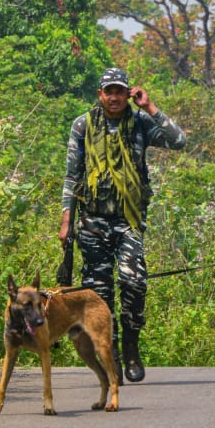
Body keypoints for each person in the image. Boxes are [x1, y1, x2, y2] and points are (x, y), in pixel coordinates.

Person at [59, 67, 186, 384]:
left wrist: (150, 107)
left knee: (134, 283)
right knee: (99, 295)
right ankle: (111, 353)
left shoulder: (140, 123)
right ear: (100, 94)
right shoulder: (83, 125)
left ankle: (131, 346)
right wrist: (67, 221)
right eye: (108, 91)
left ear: (127, 93)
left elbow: (179, 141)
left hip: (129, 221)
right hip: (92, 222)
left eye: (119, 91)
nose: (114, 97)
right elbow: (72, 176)